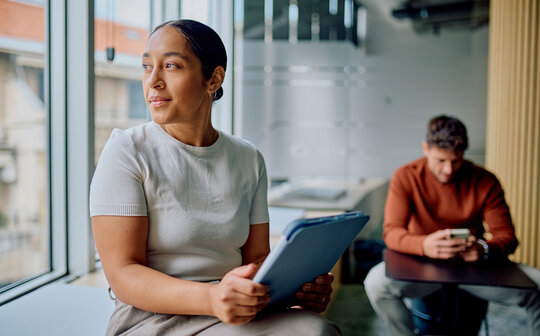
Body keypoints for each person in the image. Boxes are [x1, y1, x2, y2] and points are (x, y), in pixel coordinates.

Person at [90, 19, 340, 336]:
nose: (153, 80)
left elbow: (257, 261)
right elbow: (122, 274)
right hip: (153, 319)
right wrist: (212, 297)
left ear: (213, 78)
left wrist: (297, 290)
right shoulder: (127, 150)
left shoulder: (248, 159)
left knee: (316, 329)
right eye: (146, 66)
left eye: (170, 66)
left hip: (231, 310)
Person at [363, 115, 540, 336]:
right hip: (422, 266)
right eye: (440, 160)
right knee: (375, 284)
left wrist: (484, 249)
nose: (449, 169)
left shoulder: (485, 180)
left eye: (456, 160)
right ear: (425, 148)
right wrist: (424, 245)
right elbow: (392, 232)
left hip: (474, 269)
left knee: (538, 285)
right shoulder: (406, 176)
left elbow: (507, 236)